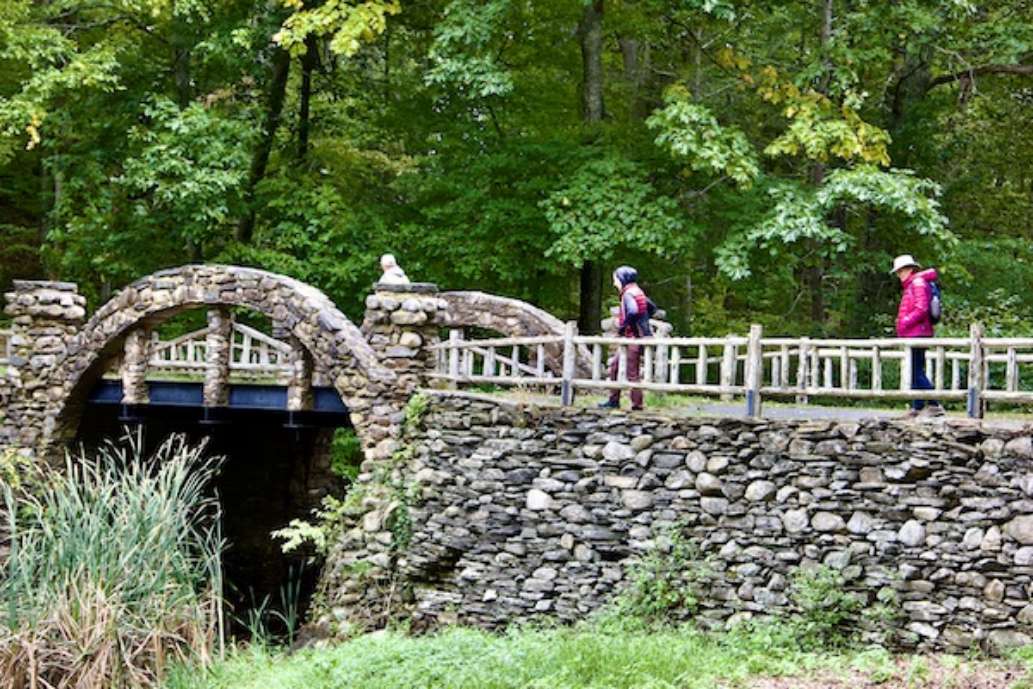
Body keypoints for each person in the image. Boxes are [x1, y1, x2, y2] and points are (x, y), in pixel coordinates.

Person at [892, 254, 944, 418]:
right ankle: (918, 405)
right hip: (916, 332)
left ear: (908, 269)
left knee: (916, 370)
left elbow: (921, 308)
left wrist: (905, 321)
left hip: (917, 332)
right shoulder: (915, 284)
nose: (899, 275)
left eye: (900, 271)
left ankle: (934, 403)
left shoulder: (917, 284)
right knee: (915, 369)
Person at [599, 266, 653, 411]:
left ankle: (637, 405)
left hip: (633, 338)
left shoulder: (628, 294)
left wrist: (623, 326)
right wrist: (644, 320)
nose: (614, 283)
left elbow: (633, 311)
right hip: (633, 337)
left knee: (632, 373)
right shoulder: (637, 290)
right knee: (615, 367)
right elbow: (651, 307)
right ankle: (613, 400)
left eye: (615, 279)